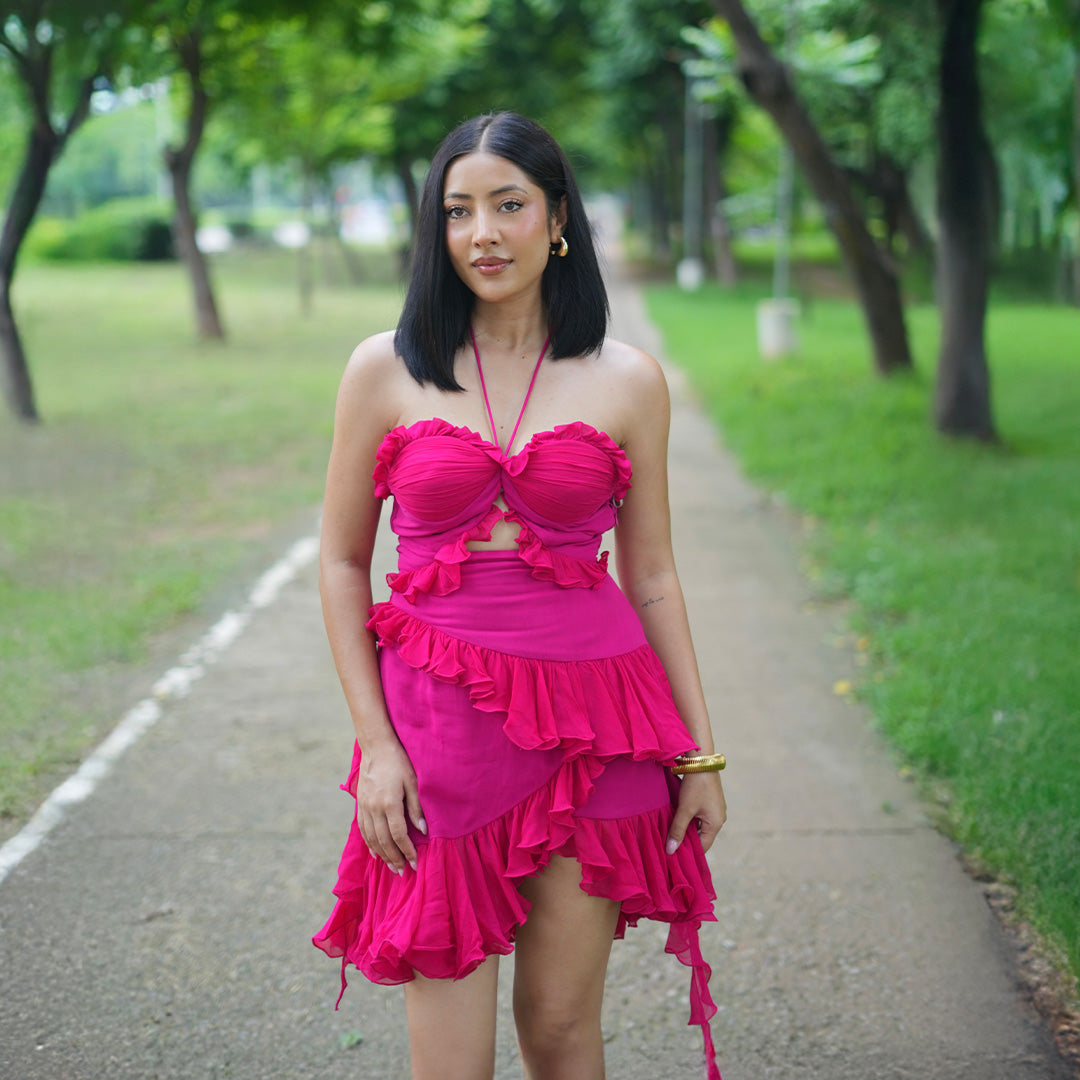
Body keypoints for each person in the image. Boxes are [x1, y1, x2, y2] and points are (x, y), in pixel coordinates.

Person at [313, 111, 727, 1080]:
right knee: (452, 1061)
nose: (484, 234)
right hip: (441, 734)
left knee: (561, 1031)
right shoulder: (385, 367)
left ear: (558, 220)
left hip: (600, 730)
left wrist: (699, 752)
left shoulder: (629, 380)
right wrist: (377, 745)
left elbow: (654, 574)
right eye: (459, 212)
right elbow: (339, 562)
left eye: (509, 206)